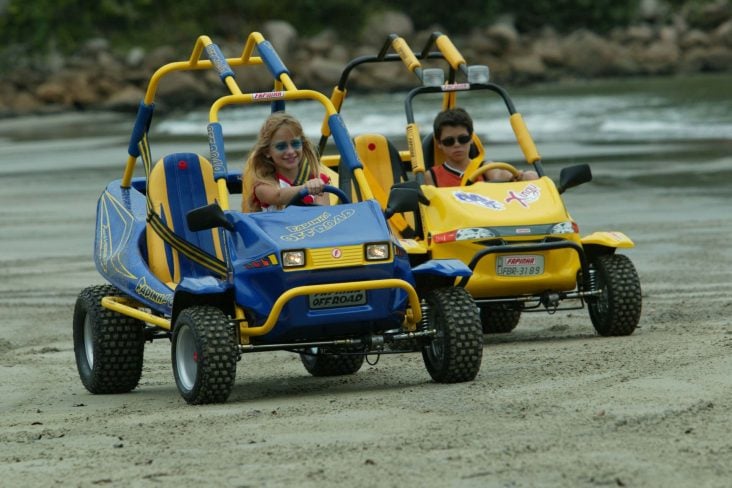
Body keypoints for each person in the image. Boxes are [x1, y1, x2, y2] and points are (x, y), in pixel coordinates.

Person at [424, 107, 538, 187]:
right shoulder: (431, 176)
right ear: (439, 143)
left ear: (471, 139)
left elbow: (501, 174)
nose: (457, 144)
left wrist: (523, 176)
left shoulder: (485, 168)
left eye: (463, 139)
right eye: (449, 141)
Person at [242, 112, 330, 212]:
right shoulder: (263, 185)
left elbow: (324, 215)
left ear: (302, 145)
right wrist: (306, 188)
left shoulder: (318, 180)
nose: (290, 151)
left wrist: (318, 186)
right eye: (281, 146)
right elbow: (278, 196)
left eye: (295, 144)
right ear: (267, 151)